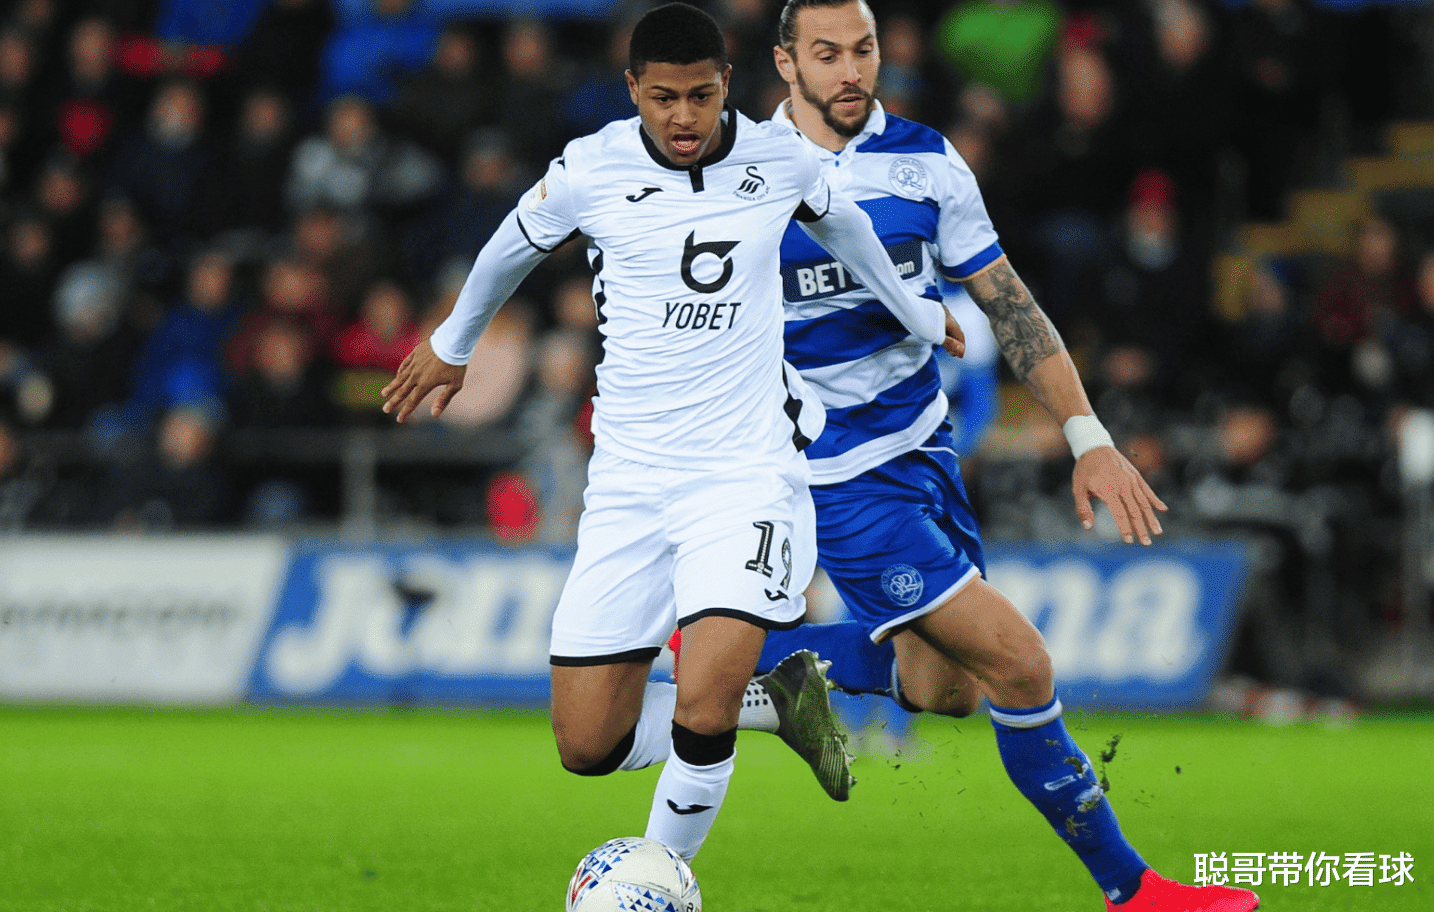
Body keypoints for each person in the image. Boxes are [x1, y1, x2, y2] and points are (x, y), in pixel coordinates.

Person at [380, 2, 964, 864]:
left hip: (745, 477)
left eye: (699, 96)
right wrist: (452, 343)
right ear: (633, 90)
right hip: (628, 484)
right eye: (663, 98)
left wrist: (914, 309)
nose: (683, 117)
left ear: (726, 84)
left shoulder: (779, 157)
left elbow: (844, 222)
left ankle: (660, 880)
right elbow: (513, 243)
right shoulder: (592, 167)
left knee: (702, 697)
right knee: (588, 742)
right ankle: (780, 702)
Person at [719, 3, 1260, 910]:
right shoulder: (740, 172)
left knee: (947, 690)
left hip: (924, 454)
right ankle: (1134, 890)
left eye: (864, 49)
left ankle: (736, 663)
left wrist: (1088, 436)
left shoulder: (928, 160)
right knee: (1020, 663)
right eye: (826, 53)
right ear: (785, 63)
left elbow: (1009, 305)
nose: (851, 70)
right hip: (834, 471)